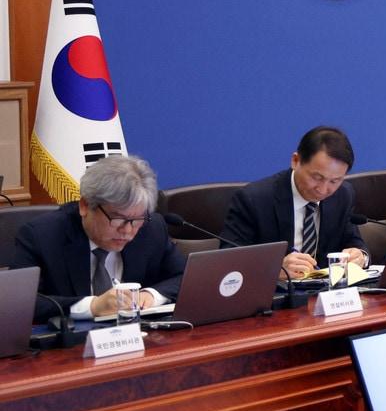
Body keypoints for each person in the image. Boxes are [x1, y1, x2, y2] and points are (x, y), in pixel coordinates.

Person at [12, 155, 184, 323]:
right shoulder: (41, 236)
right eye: (118, 218)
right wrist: (93, 306)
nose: (127, 230)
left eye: (136, 219)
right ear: (85, 206)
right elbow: (20, 302)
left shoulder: (151, 229)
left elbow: (184, 276)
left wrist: (151, 295)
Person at [222, 126, 368, 279]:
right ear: (296, 161)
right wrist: (274, 269)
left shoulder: (343, 195)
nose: (323, 189)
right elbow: (228, 263)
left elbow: (354, 242)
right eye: (317, 177)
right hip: (277, 298)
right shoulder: (254, 199)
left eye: (335, 181)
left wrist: (360, 256)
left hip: (325, 295)